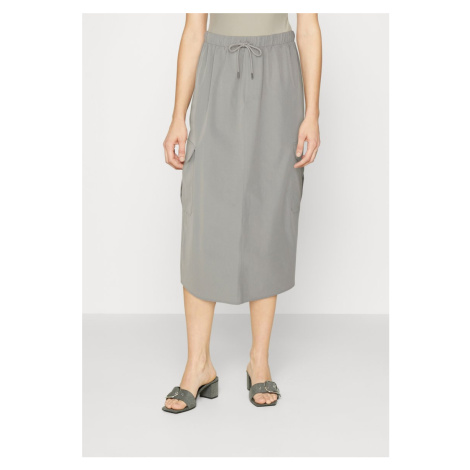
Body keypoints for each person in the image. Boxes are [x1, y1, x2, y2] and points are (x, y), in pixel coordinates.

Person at [162, 13, 322, 413]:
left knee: (268, 208)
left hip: (279, 71)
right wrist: (178, 116)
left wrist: (312, 113)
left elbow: (308, 27)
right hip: (216, 68)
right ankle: (198, 365)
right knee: (204, 214)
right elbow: (194, 30)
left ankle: (258, 361)